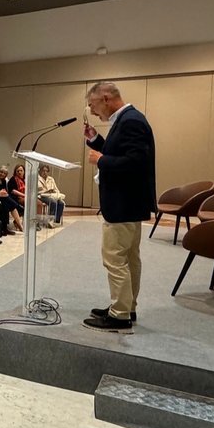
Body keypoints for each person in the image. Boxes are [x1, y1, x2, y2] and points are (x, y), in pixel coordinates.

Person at [82, 81, 156, 333]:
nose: (92, 111)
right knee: (128, 258)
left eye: (92, 105)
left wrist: (101, 160)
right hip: (129, 202)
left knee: (115, 258)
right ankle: (126, 305)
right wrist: (96, 141)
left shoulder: (131, 121)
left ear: (105, 98)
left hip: (124, 202)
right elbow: (121, 152)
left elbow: (135, 163)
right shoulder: (127, 119)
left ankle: (120, 314)